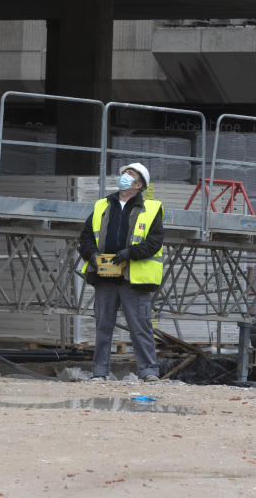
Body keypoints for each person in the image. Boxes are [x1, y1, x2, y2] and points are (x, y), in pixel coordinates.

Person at [78, 162, 164, 382]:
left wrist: (129, 254)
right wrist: (93, 256)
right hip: (105, 275)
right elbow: (86, 237)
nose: (125, 177)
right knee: (103, 326)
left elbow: (154, 242)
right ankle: (99, 372)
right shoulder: (102, 206)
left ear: (138, 185)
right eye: (124, 173)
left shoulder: (151, 209)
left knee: (140, 326)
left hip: (133, 277)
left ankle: (149, 372)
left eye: (131, 175)